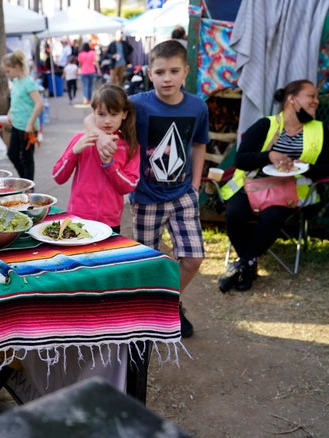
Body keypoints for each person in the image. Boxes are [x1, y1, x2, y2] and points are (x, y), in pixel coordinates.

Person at [95, 40, 209, 338]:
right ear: (149, 73)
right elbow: (98, 112)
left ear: (186, 71)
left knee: (193, 258)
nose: (167, 78)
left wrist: (195, 185)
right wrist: (96, 133)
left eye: (174, 71)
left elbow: (199, 144)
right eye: (160, 72)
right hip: (145, 198)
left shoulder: (198, 106)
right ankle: (150, 308)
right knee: (149, 261)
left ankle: (170, 302)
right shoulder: (137, 104)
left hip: (183, 194)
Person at [217, 80, 329, 292]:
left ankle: (243, 265)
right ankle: (248, 264)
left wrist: (306, 167)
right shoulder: (266, 125)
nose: (316, 101)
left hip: (290, 190)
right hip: (252, 185)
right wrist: (269, 156)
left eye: (316, 97)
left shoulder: (320, 130)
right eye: (311, 96)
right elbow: (241, 160)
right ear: (292, 99)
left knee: (272, 217)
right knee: (235, 214)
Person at [53, 84, 140, 232]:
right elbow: (58, 176)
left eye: (114, 114)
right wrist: (74, 152)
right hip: (78, 217)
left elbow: (129, 186)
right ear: (93, 113)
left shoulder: (129, 146)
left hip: (110, 221)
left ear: (124, 114)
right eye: (101, 114)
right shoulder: (81, 139)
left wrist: (110, 165)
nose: (107, 121)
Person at [2, 50, 44, 181]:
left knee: (27, 158)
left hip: (27, 127)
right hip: (17, 124)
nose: (7, 74)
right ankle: (25, 181)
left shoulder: (28, 82)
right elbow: (15, 100)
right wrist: (10, 113)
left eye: (8, 71)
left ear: (17, 67)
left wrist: (30, 123)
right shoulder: (16, 81)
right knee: (12, 154)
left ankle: (29, 186)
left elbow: (39, 104)